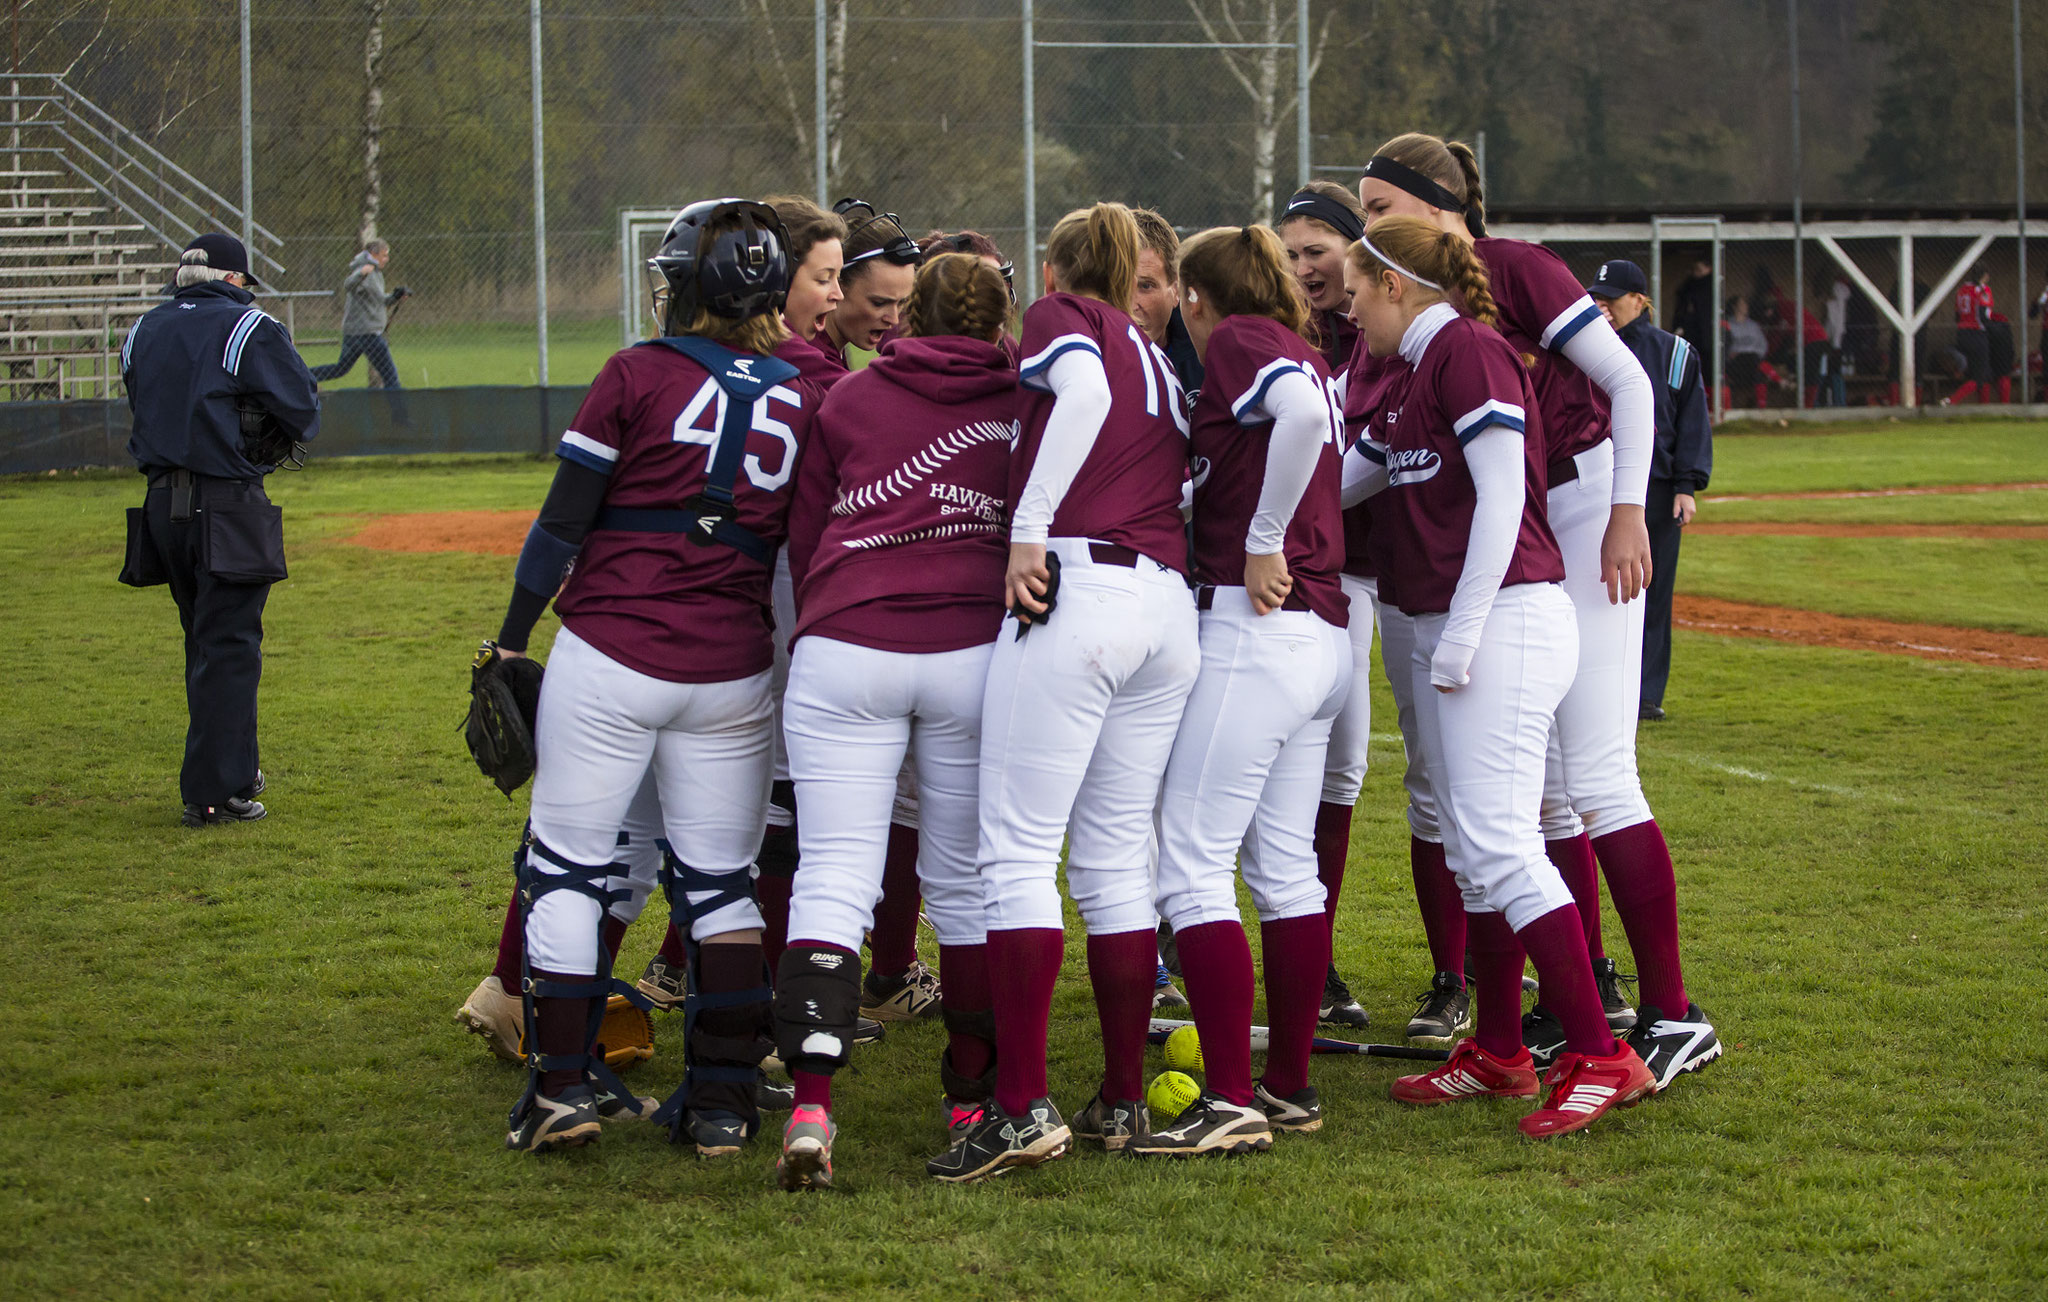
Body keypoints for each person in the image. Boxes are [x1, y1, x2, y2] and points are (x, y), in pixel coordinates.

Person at [1359, 133, 1720, 1092]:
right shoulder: (1412, 307)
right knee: (1536, 796)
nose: (1367, 227)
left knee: (1597, 774)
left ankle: (1674, 1014)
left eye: (1378, 207)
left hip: (1580, 501)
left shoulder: (1513, 266)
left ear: (1432, 203)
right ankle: (1563, 1011)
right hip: (1523, 516)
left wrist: (1629, 510)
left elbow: (1629, 381)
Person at [488, 198, 812, 1156]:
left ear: (690, 288)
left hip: (613, 650)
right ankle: (721, 1103)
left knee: (567, 869)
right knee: (721, 886)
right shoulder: (806, 394)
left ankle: (560, 1090)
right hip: (733, 670)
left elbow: (561, 525)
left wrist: (510, 639)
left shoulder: (635, 372)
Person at [1338, 218, 1655, 1137]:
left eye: (1356, 290)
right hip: (1468, 623)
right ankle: (1502, 1051)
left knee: (1503, 847)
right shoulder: (1410, 370)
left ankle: (1601, 1054)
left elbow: (1506, 496)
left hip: (1503, 622)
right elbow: (1340, 478)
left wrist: (1463, 632)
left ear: (1395, 283)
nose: (1348, 310)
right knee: (1478, 855)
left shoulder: (1468, 352)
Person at [927, 202, 1197, 1183]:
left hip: (1080, 588)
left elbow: (1078, 391)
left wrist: (1027, 528)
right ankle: (1119, 1098)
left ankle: (1018, 1108)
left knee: (1015, 854)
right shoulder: (1154, 351)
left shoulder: (1064, 316)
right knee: (1117, 859)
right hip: (1163, 606)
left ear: (1052, 271)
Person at [772, 252, 1018, 1191]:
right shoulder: (1028, 402)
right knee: (965, 886)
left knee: (833, 875)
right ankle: (968, 1098)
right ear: (1000, 324)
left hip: (847, 642)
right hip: (971, 653)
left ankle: (810, 1105)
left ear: (913, 316)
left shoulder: (850, 397)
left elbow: (806, 535)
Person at [1135, 224, 1350, 1156]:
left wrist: (1262, 538)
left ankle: (1228, 1097)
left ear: (1196, 295)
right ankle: (1288, 1085)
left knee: (1190, 860)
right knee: (1286, 870)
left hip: (1260, 624)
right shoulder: (1292, 340)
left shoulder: (1238, 339)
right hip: (1319, 634)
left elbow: (1298, 417)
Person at [119, 232, 319, 827]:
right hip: (227, 500)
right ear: (233, 279)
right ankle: (214, 793)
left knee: (204, 640)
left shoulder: (142, 329)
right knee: (230, 646)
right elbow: (302, 408)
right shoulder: (247, 326)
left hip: (161, 504)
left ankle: (237, 767)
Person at [1278, 181, 1375, 1032]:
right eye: (1291, 254)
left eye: (1318, 250)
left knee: (1344, 771)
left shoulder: (1387, 326)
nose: (1305, 267)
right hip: (1294, 574)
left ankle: (1325, 953)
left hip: (1374, 572)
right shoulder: (1276, 333)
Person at [1585, 261, 1713, 722]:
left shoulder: (1675, 352)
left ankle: (1645, 695)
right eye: (1596, 298)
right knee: (1595, 588)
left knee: (1652, 591)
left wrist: (1686, 485)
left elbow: (1692, 420)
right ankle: (1597, 688)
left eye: (1612, 298)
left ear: (1640, 301)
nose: (1603, 306)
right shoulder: (1584, 346)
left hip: (1656, 489)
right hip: (1597, 484)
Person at [819, 199, 922, 363]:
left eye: (902, 303)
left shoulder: (831, 355)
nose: (894, 320)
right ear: (837, 285)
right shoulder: (813, 366)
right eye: (879, 303)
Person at [309, 239, 409, 388]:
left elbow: (379, 300)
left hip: (353, 332)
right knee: (390, 376)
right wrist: (361, 274)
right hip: (367, 333)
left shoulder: (374, 272)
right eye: (384, 255)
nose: (387, 259)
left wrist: (396, 296)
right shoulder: (365, 269)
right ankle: (398, 403)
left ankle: (302, 376)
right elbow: (348, 284)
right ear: (373, 254)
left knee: (340, 369)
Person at [1130, 208, 1203, 397]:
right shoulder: (1084, 358)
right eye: (1119, 286)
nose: (1130, 305)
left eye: (1145, 286)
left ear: (1176, 290)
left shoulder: (1208, 354)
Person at [1947, 266, 1996, 406]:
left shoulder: (1962, 289)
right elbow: (1984, 315)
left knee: (1981, 372)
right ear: (1985, 275)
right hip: (1977, 333)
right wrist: (1992, 328)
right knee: (1980, 376)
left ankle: (1983, 407)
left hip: (1962, 333)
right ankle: (1951, 401)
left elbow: (1957, 315)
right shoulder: (1982, 290)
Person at [1724, 296, 1769, 408]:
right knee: (1756, 367)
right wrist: (1732, 353)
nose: (1746, 307)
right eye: (1742, 304)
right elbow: (1725, 346)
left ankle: (1760, 408)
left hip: (1753, 360)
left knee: (1755, 364)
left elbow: (1763, 345)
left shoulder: (1753, 326)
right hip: (1737, 361)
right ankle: (1779, 380)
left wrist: (1757, 355)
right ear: (1735, 307)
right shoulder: (1728, 324)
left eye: (1746, 304)